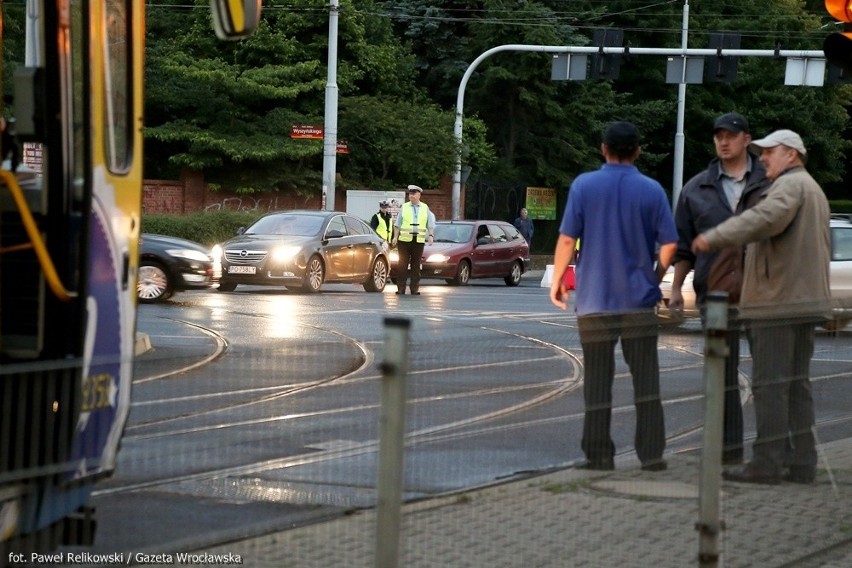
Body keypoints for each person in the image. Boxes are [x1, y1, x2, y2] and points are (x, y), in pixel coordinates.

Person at [692, 129, 830, 485]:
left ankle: (766, 463)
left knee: (769, 385)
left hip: (777, 302)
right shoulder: (812, 188)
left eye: (769, 152)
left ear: (791, 155)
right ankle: (803, 461)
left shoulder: (788, 186)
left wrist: (714, 236)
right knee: (797, 385)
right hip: (803, 300)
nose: (763, 158)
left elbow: (765, 218)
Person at [550, 121, 678, 472]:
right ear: (638, 151)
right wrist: (655, 277)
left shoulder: (584, 186)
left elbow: (565, 240)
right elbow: (669, 244)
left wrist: (558, 279)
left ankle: (598, 455)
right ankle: (652, 456)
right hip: (639, 302)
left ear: (603, 149)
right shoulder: (652, 190)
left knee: (597, 381)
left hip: (594, 303)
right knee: (646, 379)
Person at [670, 112, 771, 465]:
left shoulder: (771, 180)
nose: (723, 141)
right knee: (720, 376)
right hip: (715, 295)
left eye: (731, 135)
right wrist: (676, 288)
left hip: (764, 293)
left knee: (769, 375)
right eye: (718, 136)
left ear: (747, 138)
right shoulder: (697, 188)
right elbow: (684, 246)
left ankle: (771, 453)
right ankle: (727, 454)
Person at [391, 184, 435, 295]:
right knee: (402, 265)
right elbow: (397, 224)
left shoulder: (425, 207)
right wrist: (395, 237)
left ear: (419, 195)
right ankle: (401, 288)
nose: (411, 196)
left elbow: (430, 223)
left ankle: (414, 288)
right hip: (404, 241)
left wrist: (430, 236)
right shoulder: (404, 207)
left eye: (414, 194)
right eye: (410, 194)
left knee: (416, 266)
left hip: (418, 241)